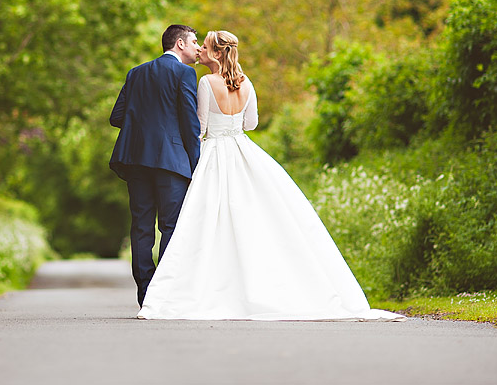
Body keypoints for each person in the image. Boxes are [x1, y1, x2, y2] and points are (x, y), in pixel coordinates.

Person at [137, 30, 403, 321]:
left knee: (204, 221)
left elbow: (198, 127)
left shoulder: (205, 82)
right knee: (255, 218)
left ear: (215, 53)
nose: (199, 49)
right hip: (241, 150)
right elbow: (251, 123)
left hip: (214, 153)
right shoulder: (246, 83)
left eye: (204, 46)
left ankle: (203, 286)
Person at [110, 24, 202, 308]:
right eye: (194, 41)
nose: (198, 47)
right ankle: (163, 293)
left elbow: (117, 117)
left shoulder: (136, 73)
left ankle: (145, 292)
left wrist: (143, 127)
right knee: (171, 226)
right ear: (179, 44)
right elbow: (190, 122)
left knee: (141, 226)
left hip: (136, 159)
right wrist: (197, 163)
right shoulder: (185, 73)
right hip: (171, 162)